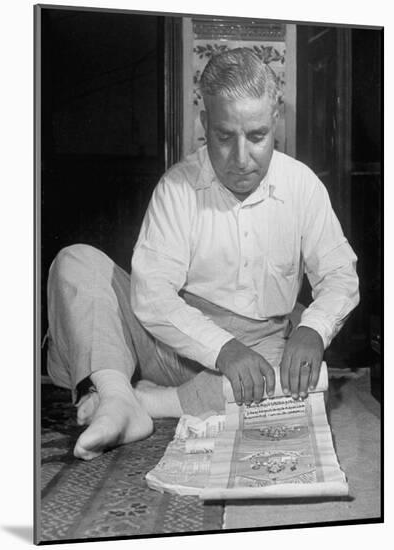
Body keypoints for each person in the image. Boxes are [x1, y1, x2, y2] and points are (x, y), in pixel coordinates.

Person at [46, 48, 359, 461]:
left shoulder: (303, 186)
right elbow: (152, 295)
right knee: (75, 261)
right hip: (167, 343)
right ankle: (119, 396)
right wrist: (224, 349)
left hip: (260, 350)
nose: (241, 159)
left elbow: (340, 275)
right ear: (204, 123)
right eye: (224, 137)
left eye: (258, 137)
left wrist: (313, 329)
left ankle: (146, 404)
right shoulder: (178, 186)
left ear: (276, 119)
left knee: (307, 380)